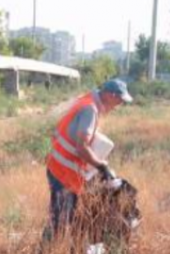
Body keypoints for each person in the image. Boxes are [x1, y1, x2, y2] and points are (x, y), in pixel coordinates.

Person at [44, 79, 133, 239]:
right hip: (64, 174)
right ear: (110, 95)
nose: (119, 105)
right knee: (60, 222)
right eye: (119, 100)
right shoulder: (90, 110)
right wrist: (101, 166)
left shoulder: (86, 101)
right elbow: (81, 147)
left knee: (58, 218)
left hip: (59, 168)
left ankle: (49, 253)